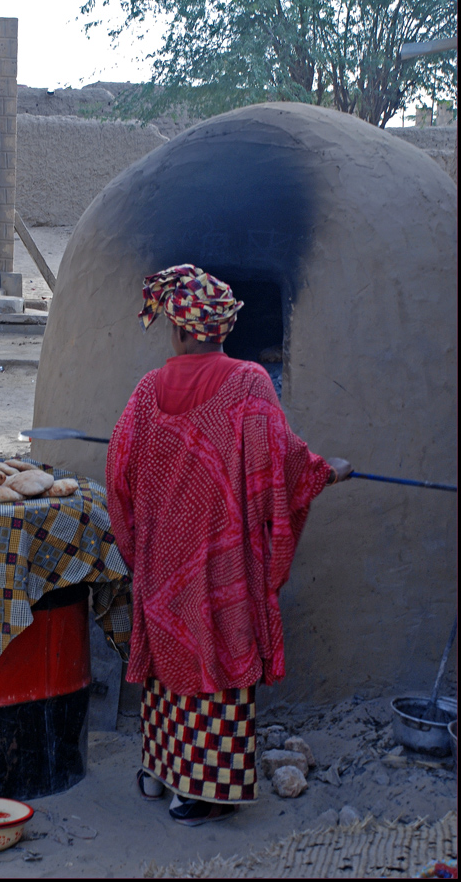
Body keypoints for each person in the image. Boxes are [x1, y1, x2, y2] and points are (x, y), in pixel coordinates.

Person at [105, 264, 352, 826]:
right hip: (223, 564)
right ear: (222, 328)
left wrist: (138, 547)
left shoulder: (147, 392)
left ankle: (159, 769)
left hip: (165, 562)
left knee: (172, 664)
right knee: (216, 663)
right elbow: (284, 464)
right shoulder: (250, 383)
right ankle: (195, 791)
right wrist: (329, 471)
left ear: (177, 327)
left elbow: (118, 475)